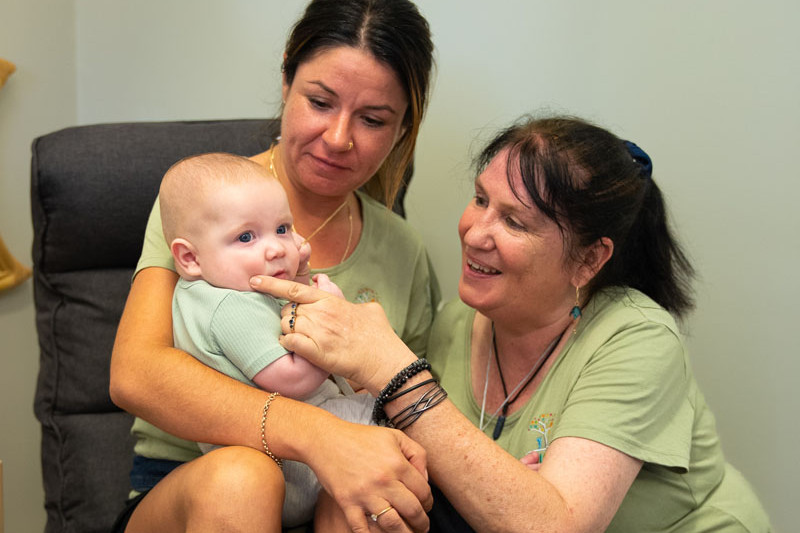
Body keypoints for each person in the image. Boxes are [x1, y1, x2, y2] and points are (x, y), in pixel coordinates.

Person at [255, 115, 772, 532]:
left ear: (589, 261)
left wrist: (394, 367)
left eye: (514, 221)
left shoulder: (637, 337)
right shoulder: (460, 320)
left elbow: (554, 526)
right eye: (480, 200)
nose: (475, 233)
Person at [109, 1, 438, 531]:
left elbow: (409, 405)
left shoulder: (404, 250)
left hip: (331, 487)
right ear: (287, 78)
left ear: (403, 128)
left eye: (374, 119)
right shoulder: (205, 207)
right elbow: (135, 375)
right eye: (320, 101)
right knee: (244, 476)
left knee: (372, 501)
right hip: (194, 486)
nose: (338, 138)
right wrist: (318, 436)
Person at [159, 152, 377, 528]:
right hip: (289, 467)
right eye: (246, 236)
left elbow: (282, 325)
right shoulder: (229, 305)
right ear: (190, 257)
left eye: (282, 229)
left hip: (281, 461)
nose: (276, 248)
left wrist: (303, 278)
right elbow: (292, 379)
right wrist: (334, 327)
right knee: (394, 414)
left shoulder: (212, 290)